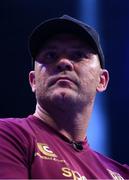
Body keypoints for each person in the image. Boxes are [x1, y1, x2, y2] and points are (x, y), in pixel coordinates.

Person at [0, 15, 129, 179]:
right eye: (50, 56)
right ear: (33, 81)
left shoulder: (121, 174)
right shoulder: (9, 136)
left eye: (78, 55)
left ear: (101, 80)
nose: (63, 62)